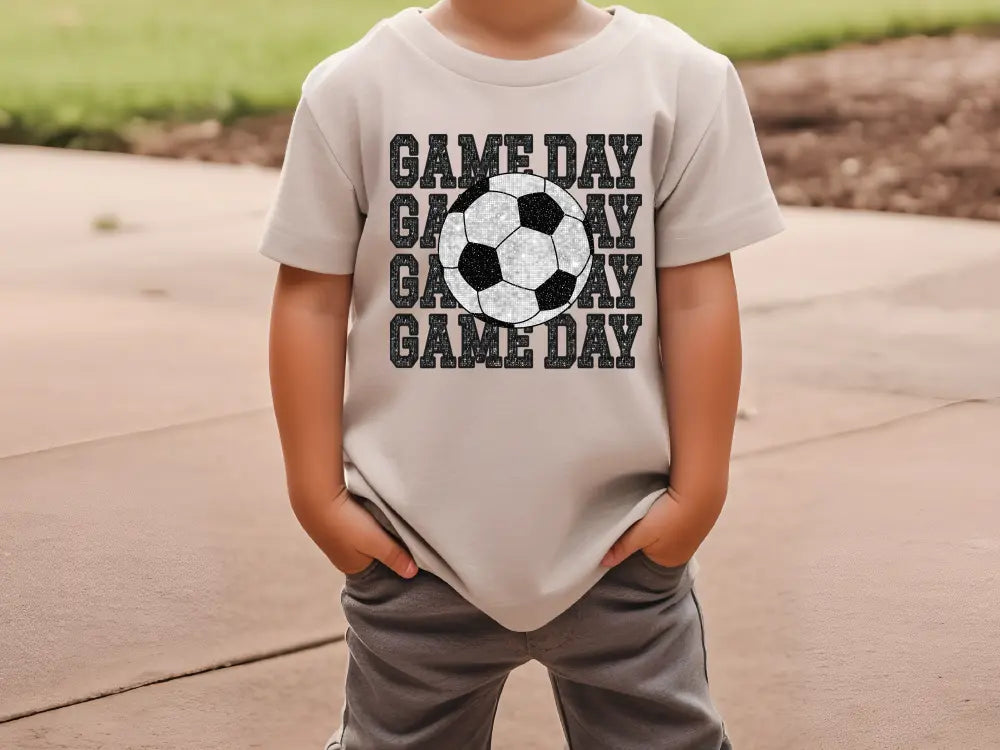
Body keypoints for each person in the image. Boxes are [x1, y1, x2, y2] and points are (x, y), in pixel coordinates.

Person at [258, 0, 785, 747]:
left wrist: (698, 494)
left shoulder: (680, 82)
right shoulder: (355, 89)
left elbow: (700, 298)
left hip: (622, 546)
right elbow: (310, 300)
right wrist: (318, 497)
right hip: (412, 550)